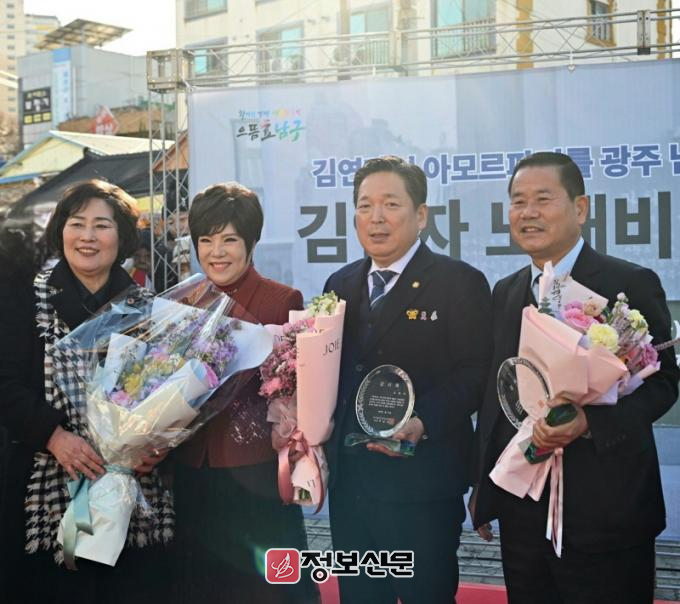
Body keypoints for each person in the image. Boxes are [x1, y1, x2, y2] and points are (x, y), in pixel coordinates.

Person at [471, 152, 680, 604]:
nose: (528, 212)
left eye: (543, 199)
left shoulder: (629, 283)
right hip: (523, 513)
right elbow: (497, 394)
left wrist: (590, 422)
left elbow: (664, 384)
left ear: (580, 208)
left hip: (608, 513)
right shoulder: (507, 291)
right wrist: (485, 489)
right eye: (518, 201)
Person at [324, 156, 492, 604]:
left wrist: (424, 420)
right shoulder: (340, 284)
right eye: (365, 206)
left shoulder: (459, 283)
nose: (376, 217)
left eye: (390, 204)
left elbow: (477, 372)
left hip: (422, 485)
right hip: (351, 485)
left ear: (421, 215)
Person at [0, 180, 174, 604]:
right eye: (77, 224)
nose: (88, 237)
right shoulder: (26, 297)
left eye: (102, 225)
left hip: (130, 490)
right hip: (46, 482)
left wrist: (159, 444)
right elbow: (5, 383)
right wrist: (54, 436)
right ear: (61, 230)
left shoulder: (146, 306)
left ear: (122, 236)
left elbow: (169, 392)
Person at [173, 182, 319, 604]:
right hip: (194, 469)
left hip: (256, 471)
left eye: (229, 240)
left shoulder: (282, 300)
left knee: (268, 587)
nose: (216, 252)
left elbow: (296, 389)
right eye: (206, 240)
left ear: (251, 243)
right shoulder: (184, 302)